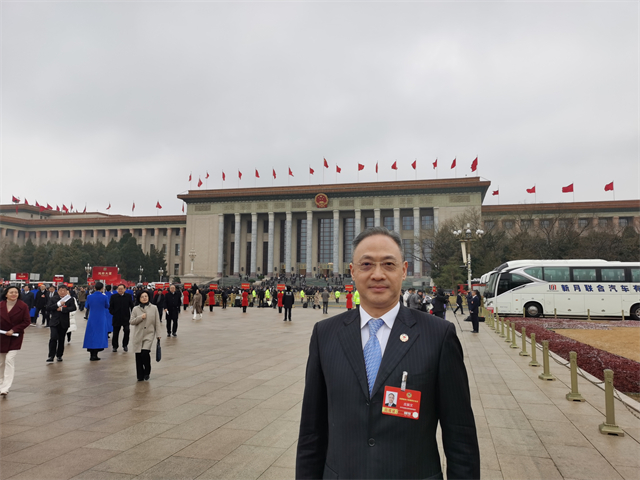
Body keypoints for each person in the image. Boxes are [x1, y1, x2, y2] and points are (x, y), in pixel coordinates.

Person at [296, 227, 479, 479]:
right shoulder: (325, 334)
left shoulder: (438, 335)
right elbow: (311, 431)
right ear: (352, 271)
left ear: (403, 270)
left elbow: (460, 436)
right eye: (367, 264)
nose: (378, 274)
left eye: (388, 264)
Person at [0, 286, 31, 395]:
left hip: (15, 336)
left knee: (9, 359)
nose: (14, 294)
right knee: (1, 362)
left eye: (16, 292)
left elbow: (26, 321)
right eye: (11, 292)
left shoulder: (23, 306)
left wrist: (14, 330)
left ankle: (5, 387)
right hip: (2, 336)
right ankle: (1, 382)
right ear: (6, 294)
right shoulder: (1, 305)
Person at [130, 290, 161, 381]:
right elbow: (131, 321)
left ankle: (147, 370)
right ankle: (140, 375)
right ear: (139, 298)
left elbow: (157, 322)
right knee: (138, 355)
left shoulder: (154, 308)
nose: (144, 298)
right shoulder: (135, 309)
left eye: (146, 296)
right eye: (142, 297)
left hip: (149, 334)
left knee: (145, 353)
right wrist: (140, 317)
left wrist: (158, 334)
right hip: (138, 335)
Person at [46, 285, 76, 362]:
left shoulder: (70, 299)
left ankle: (59, 355)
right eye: (61, 290)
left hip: (64, 322)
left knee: (61, 339)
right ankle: (51, 356)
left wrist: (63, 309)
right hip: (54, 322)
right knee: (53, 338)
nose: (62, 292)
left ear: (67, 291)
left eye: (64, 291)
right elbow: (48, 307)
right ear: (58, 291)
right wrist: (57, 305)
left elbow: (73, 308)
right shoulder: (53, 299)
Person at [83, 282, 109, 361]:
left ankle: (92, 354)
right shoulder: (104, 297)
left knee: (91, 335)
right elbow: (107, 306)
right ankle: (96, 353)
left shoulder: (89, 297)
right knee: (99, 335)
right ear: (102, 288)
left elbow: (87, 306)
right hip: (101, 318)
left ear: (94, 288)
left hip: (92, 318)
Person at [109, 284, 134, 352]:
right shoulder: (113, 297)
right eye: (119, 289)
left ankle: (125, 345)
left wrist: (133, 314)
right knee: (115, 333)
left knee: (127, 331)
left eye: (121, 289)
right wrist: (113, 312)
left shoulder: (128, 296)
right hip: (116, 318)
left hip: (126, 317)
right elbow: (110, 307)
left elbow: (131, 306)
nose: (120, 290)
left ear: (125, 289)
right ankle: (115, 346)